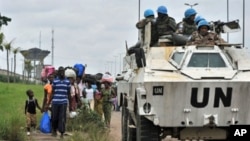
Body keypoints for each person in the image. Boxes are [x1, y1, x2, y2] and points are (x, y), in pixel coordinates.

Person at [46, 66, 71, 138]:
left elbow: (68, 93)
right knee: (54, 117)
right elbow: (52, 93)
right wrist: (48, 103)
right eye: (60, 71)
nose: (62, 73)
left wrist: (70, 104)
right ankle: (54, 130)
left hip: (63, 102)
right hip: (55, 102)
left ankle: (62, 133)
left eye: (63, 71)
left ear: (64, 72)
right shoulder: (55, 81)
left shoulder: (67, 82)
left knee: (62, 118)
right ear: (58, 73)